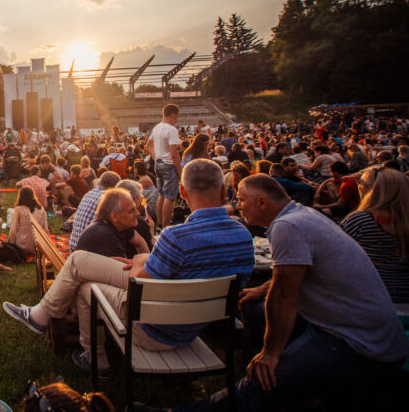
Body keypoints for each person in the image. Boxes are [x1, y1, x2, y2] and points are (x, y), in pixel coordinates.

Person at [172, 174, 409, 412]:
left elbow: (285, 296)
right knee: (255, 310)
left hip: (358, 343)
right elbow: (296, 274)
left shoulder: (287, 226)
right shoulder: (302, 215)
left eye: (242, 200)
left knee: (262, 380)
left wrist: (271, 353)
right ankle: (302, 383)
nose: (237, 206)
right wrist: (263, 289)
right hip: (355, 326)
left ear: (263, 202)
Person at [3, 159, 254, 372]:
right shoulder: (243, 237)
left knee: (82, 276)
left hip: (154, 328)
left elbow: (141, 282)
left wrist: (141, 262)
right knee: (83, 267)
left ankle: (92, 355)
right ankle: (55, 326)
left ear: (183, 192)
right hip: (195, 327)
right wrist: (143, 261)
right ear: (223, 192)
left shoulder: (176, 237)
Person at [341, 168, 409, 303]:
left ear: (371, 190)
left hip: (371, 300)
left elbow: (335, 258)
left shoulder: (360, 221)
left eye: (361, 183)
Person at [75, 187, 150, 260]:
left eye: (135, 208)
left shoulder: (119, 225)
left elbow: (140, 242)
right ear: (114, 216)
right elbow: (124, 269)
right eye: (131, 211)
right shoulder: (105, 236)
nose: (138, 214)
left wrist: (147, 263)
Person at [147, 104, 182, 229]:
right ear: (173, 115)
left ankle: (160, 225)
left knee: (161, 195)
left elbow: (149, 144)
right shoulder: (171, 129)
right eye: (177, 116)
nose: (177, 119)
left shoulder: (157, 127)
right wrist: (181, 171)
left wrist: (156, 156)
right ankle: (166, 227)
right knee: (169, 197)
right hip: (169, 164)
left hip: (158, 163)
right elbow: (174, 154)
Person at [69, 172, 121, 250]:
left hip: (74, 245)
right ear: (116, 187)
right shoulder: (107, 199)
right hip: (87, 250)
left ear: (100, 182)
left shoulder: (90, 193)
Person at [7, 186, 48, 257]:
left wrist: (12, 249)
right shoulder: (41, 209)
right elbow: (46, 230)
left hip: (22, 247)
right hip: (38, 247)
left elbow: (13, 232)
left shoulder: (18, 210)